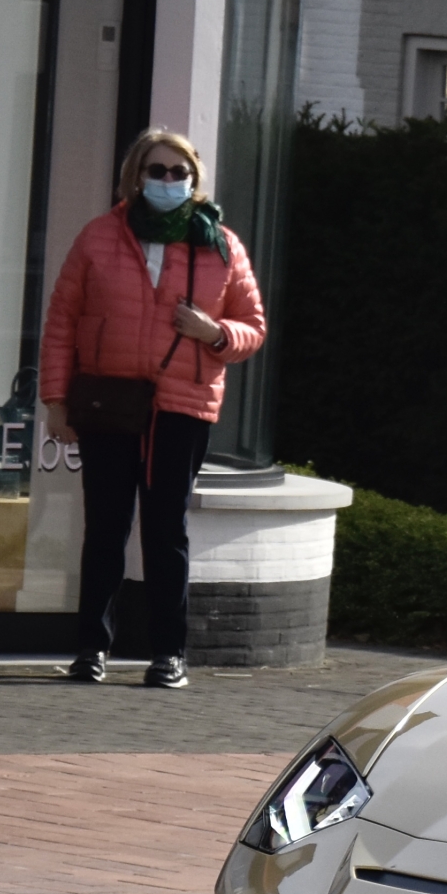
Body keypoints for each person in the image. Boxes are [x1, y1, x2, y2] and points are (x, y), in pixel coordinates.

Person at [40, 128, 264, 688]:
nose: (168, 181)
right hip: (110, 401)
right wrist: (55, 400)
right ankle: (92, 647)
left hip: (182, 406)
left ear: (194, 179)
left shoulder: (221, 245)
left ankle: (170, 653)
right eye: (156, 171)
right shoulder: (98, 238)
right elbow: (62, 321)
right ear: (135, 176)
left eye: (178, 172)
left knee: (167, 531)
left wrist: (215, 331)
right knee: (106, 528)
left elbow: (254, 328)